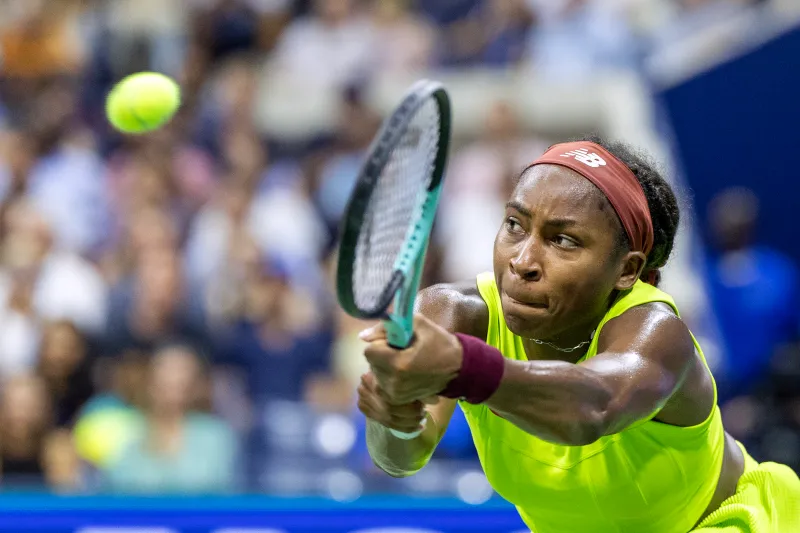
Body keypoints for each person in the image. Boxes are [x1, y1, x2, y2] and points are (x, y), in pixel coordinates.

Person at [356, 136, 800, 533]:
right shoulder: (452, 313)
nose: (523, 261)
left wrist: (465, 367)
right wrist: (392, 413)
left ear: (627, 270)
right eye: (515, 225)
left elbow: (593, 405)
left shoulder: (658, 334)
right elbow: (402, 457)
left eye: (563, 241)